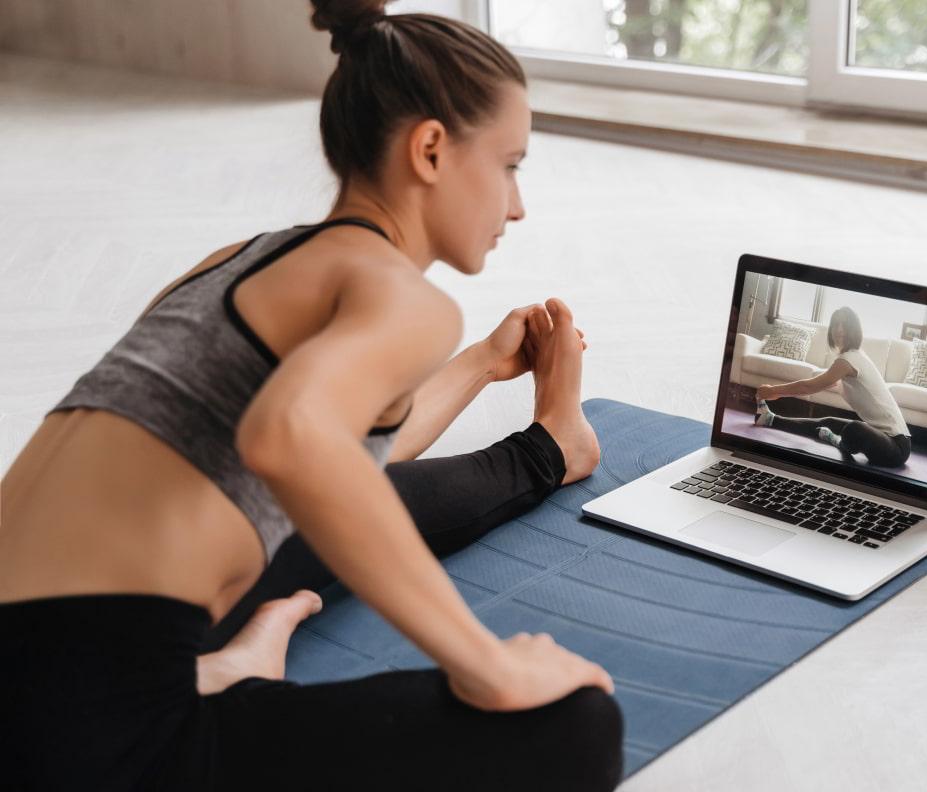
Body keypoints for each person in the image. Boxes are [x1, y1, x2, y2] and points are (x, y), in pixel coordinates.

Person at [0, 3, 624, 790]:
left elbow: (330, 459)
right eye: (509, 165)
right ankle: (225, 686)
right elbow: (291, 440)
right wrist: (492, 666)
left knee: (337, 505)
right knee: (574, 726)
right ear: (431, 149)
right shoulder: (403, 297)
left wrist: (474, 367)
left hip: (39, 656)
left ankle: (222, 670)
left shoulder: (241, 260)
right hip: (89, 742)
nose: (517, 204)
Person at [753, 307, 912, 468]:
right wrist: (783, 391)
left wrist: (774, 391)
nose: (839, 330)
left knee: (854, 428)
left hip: (897, 447)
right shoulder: (849, 358)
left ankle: (838, 442)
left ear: (854, 330)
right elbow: (818, 382)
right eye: (836, 325)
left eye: (845, 325)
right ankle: (770, 419)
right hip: (878, 436)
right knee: (829, 422)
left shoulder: (850, 359)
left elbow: (809, 387)